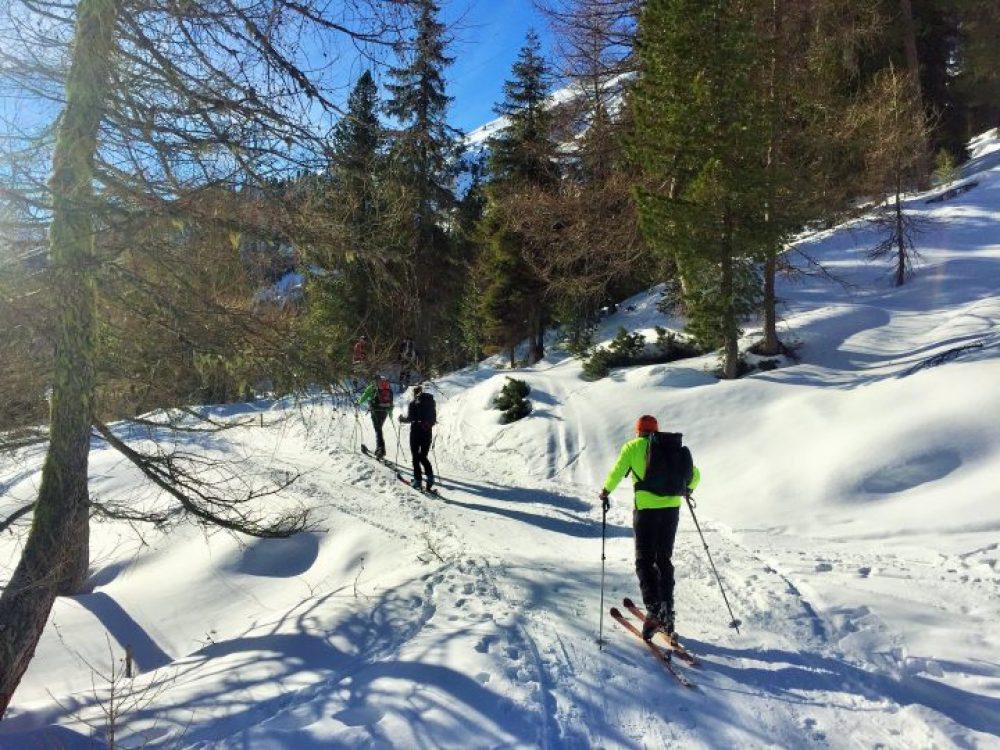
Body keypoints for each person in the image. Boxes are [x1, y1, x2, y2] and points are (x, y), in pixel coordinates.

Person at [600, 415, 700, 641]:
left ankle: (654, 611)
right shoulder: (668, 447)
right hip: (672, 511)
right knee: (663, 559)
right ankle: (668, 612)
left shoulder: (633, 447)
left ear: (638, 431)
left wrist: (605, 491)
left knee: (644, 560)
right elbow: (696, 475)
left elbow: (617, 471)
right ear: (656, 430)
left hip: (646, 511)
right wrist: (687, 489)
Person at [398, 383, 436, 491]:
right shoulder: (431, 403)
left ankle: (417, 480)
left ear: (414, 393)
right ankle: (430, 478)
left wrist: (401, 419)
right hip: (427, 432)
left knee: (415, 456)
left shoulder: (413, 403)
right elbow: (433, 419)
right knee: (423, 457)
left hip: (416, 432)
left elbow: (410, 418)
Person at [357, 375, 393, 458]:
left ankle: (381, 449)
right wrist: (390, 414)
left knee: (378, 429)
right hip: (385, 411)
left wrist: (357, 402)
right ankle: (380, 448)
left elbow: (364, 397)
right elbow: (391, 402)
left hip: (375, 411)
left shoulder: (372, 387)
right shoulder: (388, 388)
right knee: (379, 429)